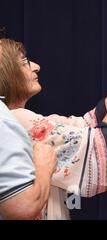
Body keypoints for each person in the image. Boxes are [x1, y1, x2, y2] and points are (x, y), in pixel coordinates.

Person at [0, 37, 107, 219]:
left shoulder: (22, 120)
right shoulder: (17, 119)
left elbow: (89, 122)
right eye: (24, 63)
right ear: (7, 73)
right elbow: (99, 145)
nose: (36, 66)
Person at [0, 91, 57, 219]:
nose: (37, 69)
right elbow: (23, 206)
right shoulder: (10, 118)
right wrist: (44, 166)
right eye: (25, 68)